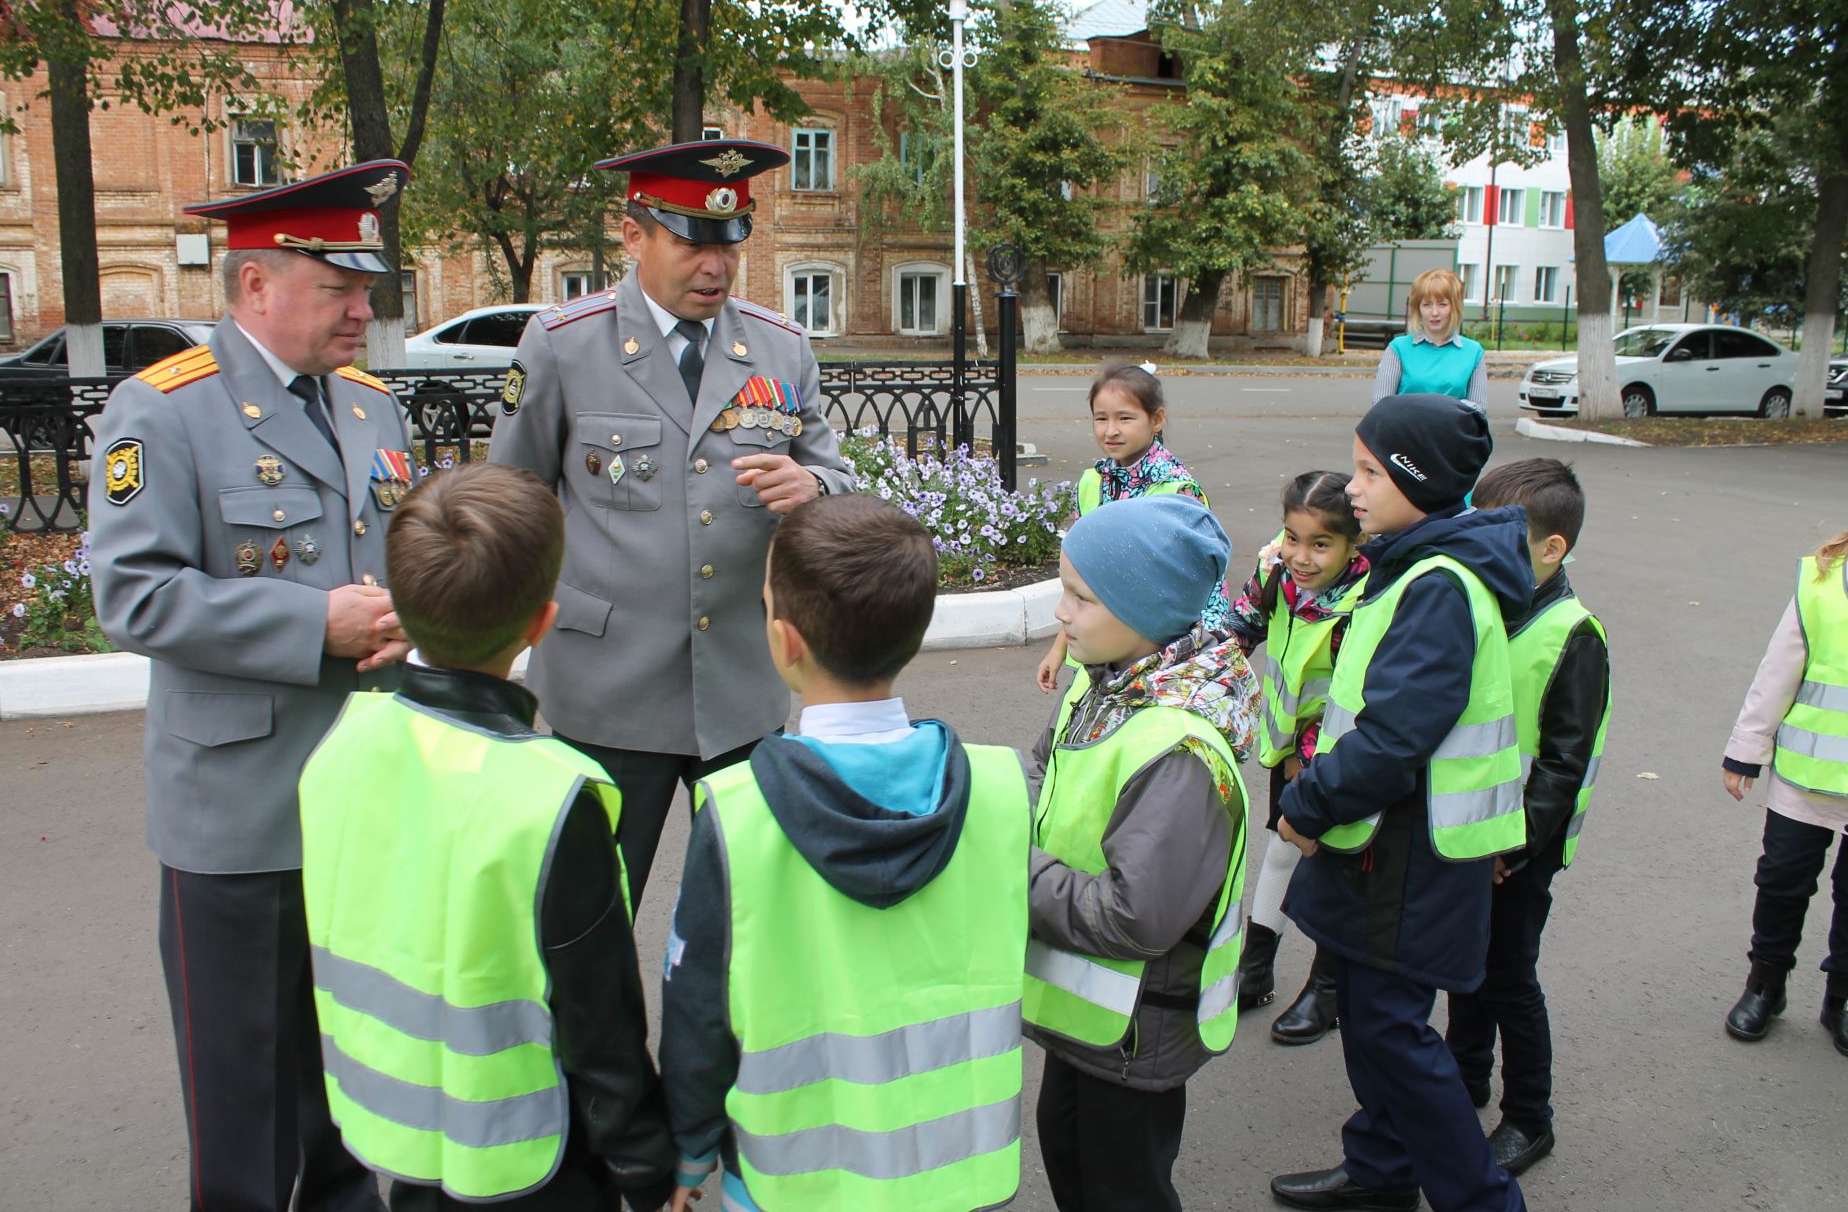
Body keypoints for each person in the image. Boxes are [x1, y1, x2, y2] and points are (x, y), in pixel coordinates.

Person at [89, 160, 417, 1212]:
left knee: (351, 1082)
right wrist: (312, 623)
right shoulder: (164, 410)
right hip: (240, 812)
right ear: (254, 288)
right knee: (244, 1111)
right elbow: (133, 595)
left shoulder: (371, 406)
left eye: (365, 288)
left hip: (361, 799)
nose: (365, 309)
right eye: (339, 289)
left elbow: (394, 553)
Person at [299, 463, 675, 1211]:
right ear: (542, 621)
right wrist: (651, 1171)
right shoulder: (551, 793)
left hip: (400, 1130)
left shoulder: (346, 740)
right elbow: (600, 1029)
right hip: (528, 1152)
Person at [489, 139, 855, 910]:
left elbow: (838, 476)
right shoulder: (564, 345)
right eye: (692, 242)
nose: (715, 267)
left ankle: (730, 1037)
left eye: (730, 243)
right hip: (607, 691)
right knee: (590, 917)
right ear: (634, 235)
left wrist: (810, 482)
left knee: (754, 913)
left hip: (742, 689)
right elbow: (508, 503)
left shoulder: (781, 348)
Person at [659, 493, 1031, 1212]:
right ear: (916, 632)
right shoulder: (999, 786)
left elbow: (699, 1006)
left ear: (785, 641)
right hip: (957, 1170)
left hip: (790, 1178)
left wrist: (689, 1149)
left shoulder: (737, 809)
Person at [1268, 394, 1534, 1212]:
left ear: (1418, 480)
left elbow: (1394, 737)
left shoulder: (1439, 584)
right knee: (1374, 1024)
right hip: (1381, 845)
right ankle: (1381, 1172)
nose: (1353, 489)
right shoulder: (1409, 563)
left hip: (1412, 854)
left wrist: (1307, 804)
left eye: (1372, 472)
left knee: (1393, 1033)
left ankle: (1481, 1200)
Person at [1026, 493, 1258, 1212]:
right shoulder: (1106, 683)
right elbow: (1046, 765)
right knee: (1067, 1146)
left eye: (1080, 597)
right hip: (1088, 1010)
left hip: (1136, 1025)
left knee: (1123, 1186)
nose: (1061, 612)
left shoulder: (1181, 749)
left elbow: (1134, 916)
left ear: (1148, 612)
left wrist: (1010, 863)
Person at [1445, 459, 1612, 1177]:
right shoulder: (1487, 606)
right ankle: (1465, 1075)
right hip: (1468, 833)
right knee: (1466, 968)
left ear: (1553, 549)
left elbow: (1564, 765)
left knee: (1510, 975)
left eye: (1502, 539)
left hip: (1519, 847)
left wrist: (1513, 844)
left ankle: (1530, 1117)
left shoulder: (1575, 634)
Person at [1223, 471, 1369, 1046]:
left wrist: (1311, 761)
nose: (1300, 556)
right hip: (1287, 748)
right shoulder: (1275, 571)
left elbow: (1356, 694)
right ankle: (1255, 969)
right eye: (1292, 536)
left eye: (1320, 544)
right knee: (1283, 845)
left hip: (1339, 755)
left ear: (1354, 544)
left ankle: (1327, 986)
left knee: (1333, 862)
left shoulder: (1368, 599)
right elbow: (1238, 630)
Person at [1719, 525, 1848, 1055]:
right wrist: (1746, 749)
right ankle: (1766, 986)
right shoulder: (1821, 580)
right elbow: (1779, 671)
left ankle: (1840, 996)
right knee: (1782, 881)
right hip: (1807, 777)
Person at [1035, 363, 1229, 692]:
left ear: (1157, 419)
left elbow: (1197, 591)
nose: (1111, 430)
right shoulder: (1092, 483)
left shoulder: (1177, 493)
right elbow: (1082, 580)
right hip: (1091, 648)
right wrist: (1060, 648)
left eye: (1125, 418)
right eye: (1101, 418)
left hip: (1151, 662)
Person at [1369, 268, 1488, 408]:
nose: (1434, 312)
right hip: (1405, 429)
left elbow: (1479, 409)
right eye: (1427, 304)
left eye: (1442, 304)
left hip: (1453, 429)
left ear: (1454, 307)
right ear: (1418, 308)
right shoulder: (1398, 349)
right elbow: (1380, 405)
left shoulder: (1473, 352)